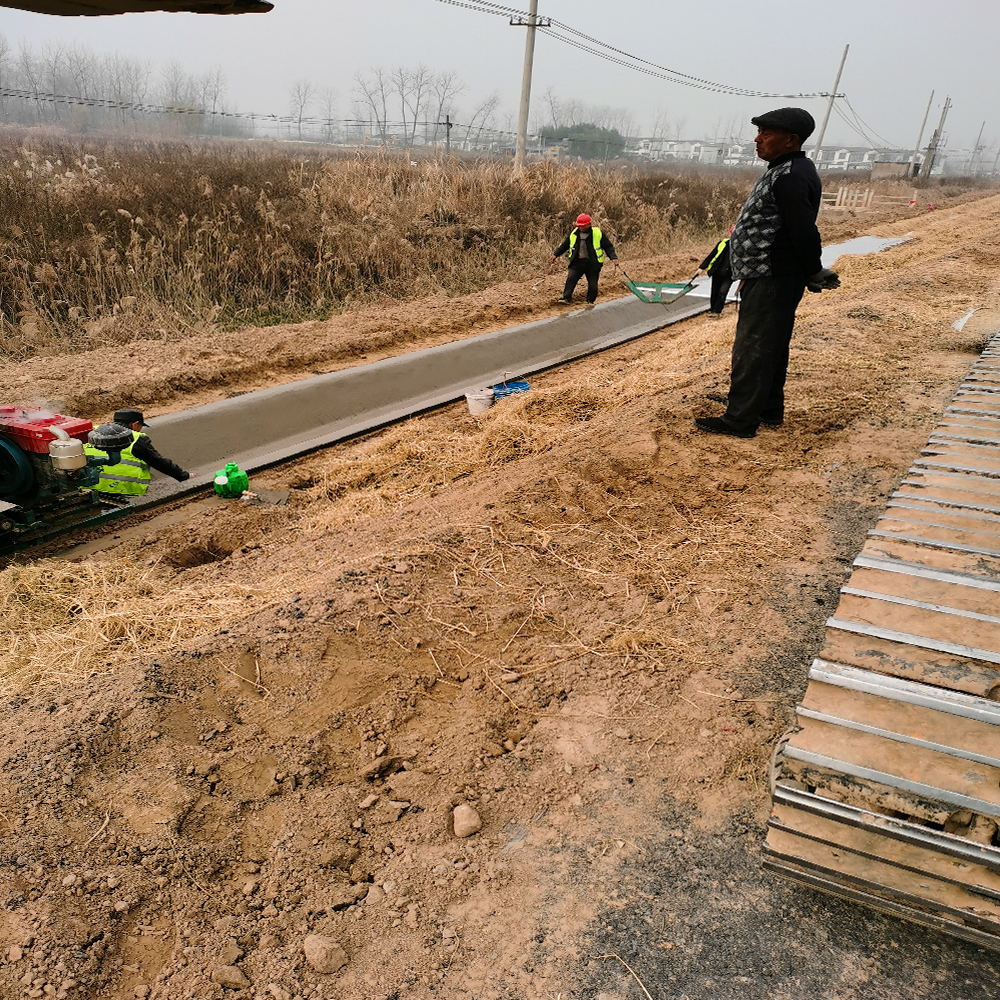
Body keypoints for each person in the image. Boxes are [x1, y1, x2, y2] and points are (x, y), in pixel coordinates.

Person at [694, 108, 839, 439]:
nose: (757, 140)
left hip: (773, 277)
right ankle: (766, 408)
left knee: (754, 346)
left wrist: (812, 269)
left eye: (766, 134)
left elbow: (803, 231)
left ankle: (740, 419)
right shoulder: (785, 169)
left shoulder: (791, 176)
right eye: (759, 132)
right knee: (771, 344)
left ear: (791, 140)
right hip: (768, 274)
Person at [84, 407, 190, 496]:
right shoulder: (135, 438)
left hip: (90, 486)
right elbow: (158, 462)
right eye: (140, 426)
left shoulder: (94, 431)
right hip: (123, 489)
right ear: (134, 425)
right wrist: (183, 476)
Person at [551, 214, 619, 305]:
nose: (581, 227)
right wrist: (555, 255)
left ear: (589, 224)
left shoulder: (597, 233)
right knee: (571, 279)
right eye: (579, 225)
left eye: (583, 226)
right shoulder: (574, 234)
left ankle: (590, 301)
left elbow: (608, 247)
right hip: (577, 262)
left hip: (593, 264)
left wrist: (613, 257)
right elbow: (564, 246)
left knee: (592, 284)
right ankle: (566, 298)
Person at [697, 229, 734, 316]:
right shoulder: (722, 244)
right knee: (714, 292)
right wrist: (701, 268)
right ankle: (713, 310)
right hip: (717, 272)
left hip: (730, 274)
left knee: (722, 291)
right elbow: (711, 255)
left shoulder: (741, 247)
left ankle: (717, 311)